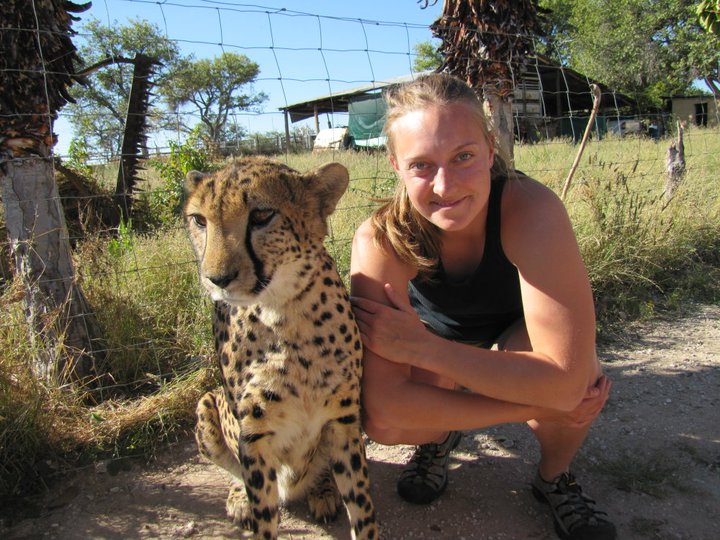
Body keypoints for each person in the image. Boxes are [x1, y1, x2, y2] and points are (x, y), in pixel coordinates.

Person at [350, 73, 616, 540]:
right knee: (395, 426)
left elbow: (569, 380)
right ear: (395, 164)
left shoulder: (531, 209)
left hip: (509, 330)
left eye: (464, 157)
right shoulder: (380, 239)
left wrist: (425, 352)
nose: (445, 185)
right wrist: (535, 405)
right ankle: (439, 439)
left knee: (582, 380)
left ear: (491, 150)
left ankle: (554, 478)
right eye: (421, 166)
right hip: (431, 333)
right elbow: (385, 412)